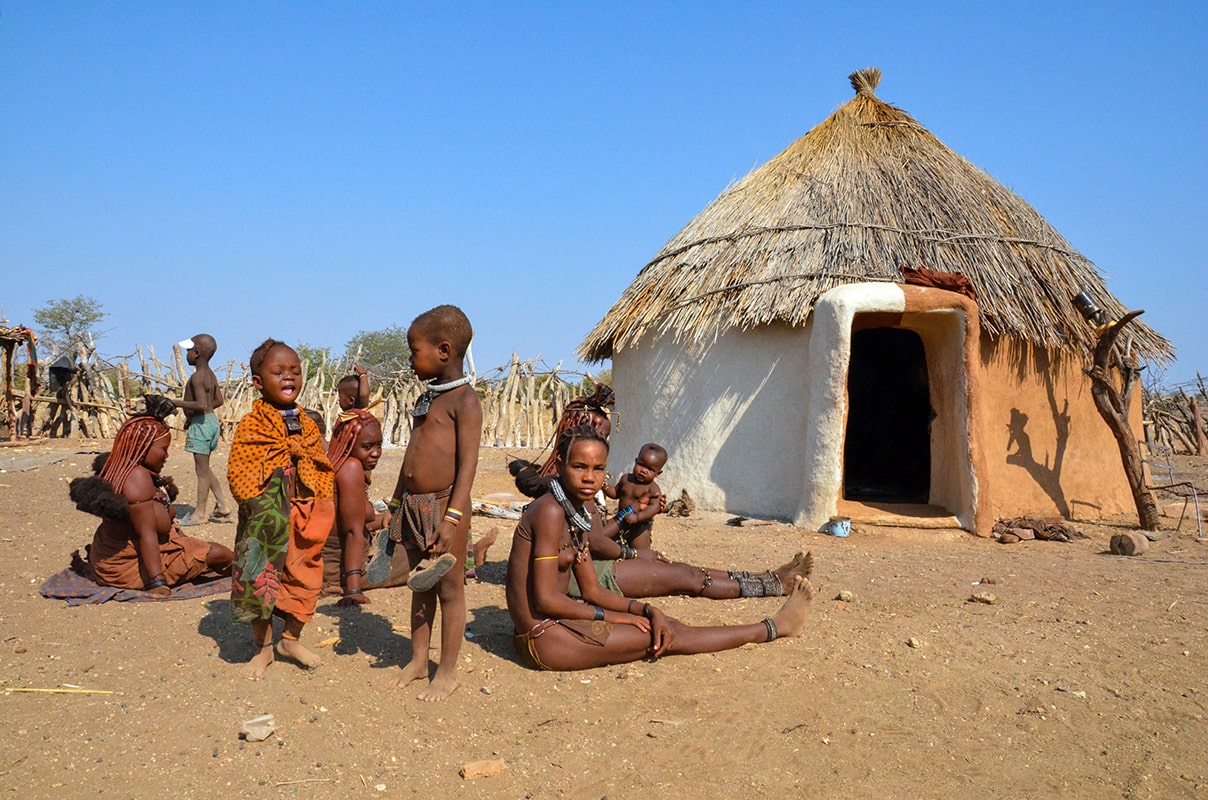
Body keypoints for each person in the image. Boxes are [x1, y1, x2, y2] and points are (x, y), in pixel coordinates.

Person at [506, 425, 815, 671]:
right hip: (545, 638)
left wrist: (647, 609)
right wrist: (615, 618)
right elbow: (546, 600)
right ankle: (775, 627)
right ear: (560, 465)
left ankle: (770, 609)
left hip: (559, 626)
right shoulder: (550, 512)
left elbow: (591, 589)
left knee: (662, 621)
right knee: (669, 634)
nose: (590, 477)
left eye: (598, 468)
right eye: (579, 466)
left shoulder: (576, 512)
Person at [387, 304, 482, 701]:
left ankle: (447, 670)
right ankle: (417, 660)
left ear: (443, 350)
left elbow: (468, 465)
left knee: (449, 588)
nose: (411, 360)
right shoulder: (427, 400)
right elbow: (413, 452)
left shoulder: (465, 402)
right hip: (414, 505)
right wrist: (394, 503)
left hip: (446, 508)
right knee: (419, 585)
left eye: (414, 350)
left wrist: (453, 519)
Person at [227, 339, 336, 679]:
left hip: (303, 514)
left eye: (295, 371)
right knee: (260, 576)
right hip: (266, 519)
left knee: (305, 575)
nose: (289, 377)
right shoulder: (252, 425)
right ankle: (263, 648)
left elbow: (319, 464)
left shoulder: (307, 423)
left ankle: (290, 638)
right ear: (259, 382)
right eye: (278, 372)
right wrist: (270, 501)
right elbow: (240, 472)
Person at [68, 408, 234, 595]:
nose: (167, 456)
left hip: (136, 553)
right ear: (143, 447)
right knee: (220, 554)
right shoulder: (136, 478)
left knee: (219, 554)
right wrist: (157, 582)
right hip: (127, 565)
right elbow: (147, 534)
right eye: (164, 449)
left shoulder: (130, 469)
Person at [320, 409, 390, 604]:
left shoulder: (336, 463)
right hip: (339, 568)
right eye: (367, 446)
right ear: (348, 444)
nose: (376, 453)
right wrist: (353, 589)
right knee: (413, 551)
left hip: (331, 561)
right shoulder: (350, 468)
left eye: (379, 445)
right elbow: (353, 532)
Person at [172, 334, 233, 526]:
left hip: (201, 425)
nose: (187, 354)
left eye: (189, 351)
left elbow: (200, 403)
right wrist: (198, 414)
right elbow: (218, 401)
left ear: (196, 353)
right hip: (211, 422)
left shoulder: (197, 377)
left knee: (201, 471)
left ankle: (200, 513)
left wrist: (174, 402)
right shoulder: (210, 374)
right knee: (205, 468)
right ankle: (223, 506)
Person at [603, 442, 668, 552]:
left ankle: (643, 562)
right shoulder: (626, 479)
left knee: (639, 549)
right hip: (621, 520)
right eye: (641, 464)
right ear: (635, 461)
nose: (643, 470)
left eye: (650, 469)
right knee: (609, 543)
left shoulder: (653, 489)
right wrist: (603, 486)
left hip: (640, 526)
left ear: (658, 473)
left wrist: (638, 517)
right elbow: (615, 493)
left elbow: (653, 508)